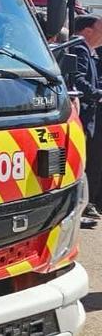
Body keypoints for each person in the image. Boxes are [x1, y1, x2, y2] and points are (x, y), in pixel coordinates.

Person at [67, 15, 102, 225]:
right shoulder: (79, 48)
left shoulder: (88, 51)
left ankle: (83, 207)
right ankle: (80, 208)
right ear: (87, 31)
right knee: (83, 163)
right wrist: (98, 94)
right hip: (83, 114)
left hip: (88, 114)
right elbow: (78, 81)